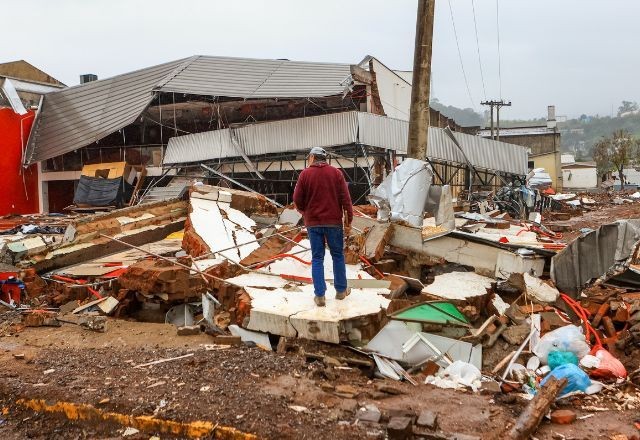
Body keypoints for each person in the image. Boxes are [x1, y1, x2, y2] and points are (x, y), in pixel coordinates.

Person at [293, 147, 353, 307]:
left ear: (312, 157)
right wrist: (349, 221)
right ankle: (341, 291)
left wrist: (305, 211)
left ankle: (320, 295)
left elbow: (297, 199)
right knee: (338, 255)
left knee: (317, 258)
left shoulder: (305, 174)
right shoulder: (336, 173)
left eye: (308, 158)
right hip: (334, 222)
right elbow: (346, 200)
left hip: (314, 223)